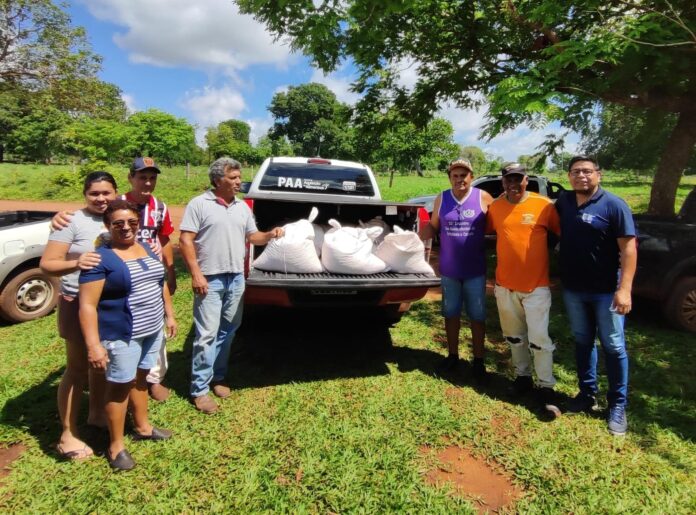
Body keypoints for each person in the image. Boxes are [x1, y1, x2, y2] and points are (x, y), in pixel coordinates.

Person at [51, 157, 176, 402]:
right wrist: (59, 218)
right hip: (91, 291)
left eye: (152, 177)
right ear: (130, 179)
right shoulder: (99, 212)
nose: (148, 182)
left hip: (137, 282)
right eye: (142, 177)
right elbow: (56, 253)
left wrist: (168, 273)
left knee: (146, 333)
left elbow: (164, 239)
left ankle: (147, 382)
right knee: (91, 357)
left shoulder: (155, 207)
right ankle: (100, 405)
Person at [179, 157, 283, 414]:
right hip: (210, 278)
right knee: (206, 335)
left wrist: (269, 235)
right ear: (217, 180)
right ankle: (200, 389)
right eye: (233, 178)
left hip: (236, 277)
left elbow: (252, 236)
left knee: (228, 330)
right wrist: (196, 274)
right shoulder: (199, 204)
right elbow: (185, 240)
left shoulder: (241, 207)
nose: (239, 182)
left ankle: (218, 376)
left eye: (239, 177)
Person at [79, 199, 177, 470]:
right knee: (119, 387)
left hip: (151, 329)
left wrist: (169, 314)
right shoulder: (101, 258)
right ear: (107, 225)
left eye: (132, 222)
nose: (125, 228)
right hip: (122, 334)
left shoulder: (146, 247)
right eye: (118, 223)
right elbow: (87, 305)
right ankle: (116, 446)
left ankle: (143, 427)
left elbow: (160, 283)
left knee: (142, 379)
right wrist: (94, 345)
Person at [555, 156, 636, 436]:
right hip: (574, 289)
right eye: (576, 172)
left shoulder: (614, 205)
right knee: (582, 341)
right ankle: (586, 394)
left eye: (587, 171)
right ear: (569, 176)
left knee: (613, 346)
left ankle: (617, 405)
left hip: (606, 292)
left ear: (598, 175)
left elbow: (628, 249)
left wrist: (624, 289)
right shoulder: (564, 202)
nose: (582, 176)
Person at [40, 171, 118, 460]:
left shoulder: (117, 217)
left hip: (108, 303)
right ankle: (67, 435)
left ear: (115, 192)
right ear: (85, 194)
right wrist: (77, 262)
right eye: (94, 193)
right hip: (77, 301)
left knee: (99, 363)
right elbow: (48, 264)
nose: (100, 198)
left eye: (106, 193)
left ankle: (96, 414)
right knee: (76, 368)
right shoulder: (70, 221)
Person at [486, 163, 561, 415]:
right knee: (514, 337)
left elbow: (562, 235)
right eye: (509, 180)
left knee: (540, 339)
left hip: (536, 286)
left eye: (518, 179)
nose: (513, 184)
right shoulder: (496, 207)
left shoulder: (544, 206)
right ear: (503, 182)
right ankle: (522, 378)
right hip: (505, 286)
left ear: (526, 180)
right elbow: (483, 230)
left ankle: (546, 386)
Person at [419, 158, 493, 382]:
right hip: (449, 270)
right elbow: (434, 226)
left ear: (471, 176)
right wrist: (414, 239)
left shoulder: (483, 197)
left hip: (475, 270)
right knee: (450, 314)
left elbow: (496, 226)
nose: (460, 179)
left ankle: (479, 361)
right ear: (450, 177)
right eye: (455, 175)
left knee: (477, 316)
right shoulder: (442, 198)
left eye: (464, 175)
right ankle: (453, 355)